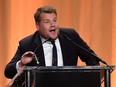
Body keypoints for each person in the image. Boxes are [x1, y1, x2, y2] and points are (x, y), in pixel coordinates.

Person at [4, 6, 99, 79]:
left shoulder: (71, 36)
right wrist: (21, 63)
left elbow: (93, 60)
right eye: (47, 22)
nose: (53, 25)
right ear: (38, 26)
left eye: (54, 20)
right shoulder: (27, 44)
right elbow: (8, 71)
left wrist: (85, 80)